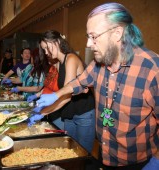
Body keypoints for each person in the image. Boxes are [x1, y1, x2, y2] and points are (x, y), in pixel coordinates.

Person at [32, 3, 159, 169]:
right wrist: (55, 96)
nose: (88, 44)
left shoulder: (151, 68)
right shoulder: (98, 63)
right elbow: (79, 82)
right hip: (105, 153)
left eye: (93, 36)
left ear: (117, 33)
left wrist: (156, 160)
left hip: (137, 162)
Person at [28, 30, 96, 153]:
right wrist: (43, 110)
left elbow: (66, 96)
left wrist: (43, 112)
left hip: (84, 113)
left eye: (48, 47)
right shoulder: (58, 63)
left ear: (58, 41)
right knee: (70, 150)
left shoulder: (71, 58)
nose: (46, 52)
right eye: (44, 49)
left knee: (83, 152)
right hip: (69, 113)